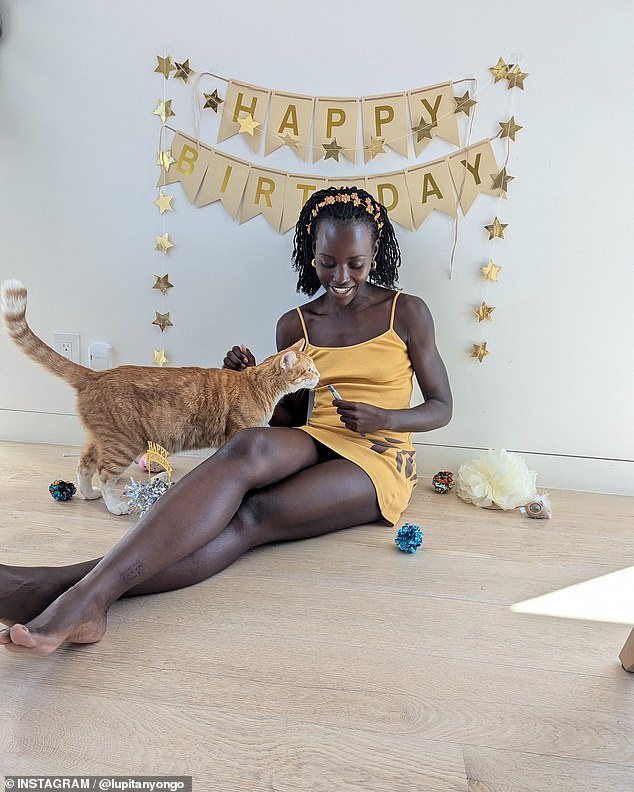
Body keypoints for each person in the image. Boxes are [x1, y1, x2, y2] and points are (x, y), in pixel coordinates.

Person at [0, 186, 452, 657]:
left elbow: (442, 405)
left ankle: (58, 591)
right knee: (247, 446)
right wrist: (253, 385)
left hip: (380, 457)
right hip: (317, 435)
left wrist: (386, 416)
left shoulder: (409, 313)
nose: (340, 276)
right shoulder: (295, 324)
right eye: (327, 262)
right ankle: (82, 599)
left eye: (355, 264)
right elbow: (289, 420)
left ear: (375, 252)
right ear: (309, 255)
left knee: (254, 515)